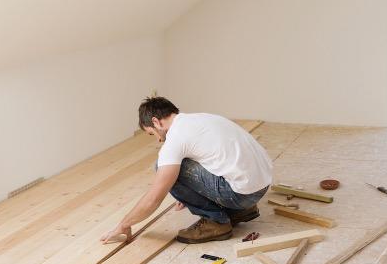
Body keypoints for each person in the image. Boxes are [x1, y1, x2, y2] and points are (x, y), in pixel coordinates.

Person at [100, 97, 272, 244]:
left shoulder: (175, 139)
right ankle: (241, 211)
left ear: (155, 122)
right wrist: (192, 191)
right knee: (177, 165)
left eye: (152, 134)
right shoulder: (202, 118)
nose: (159, 140)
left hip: (242, 195)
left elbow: (154, 198)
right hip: (261, 186)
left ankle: (217, 222)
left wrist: (124, 224)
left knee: (163, 165)